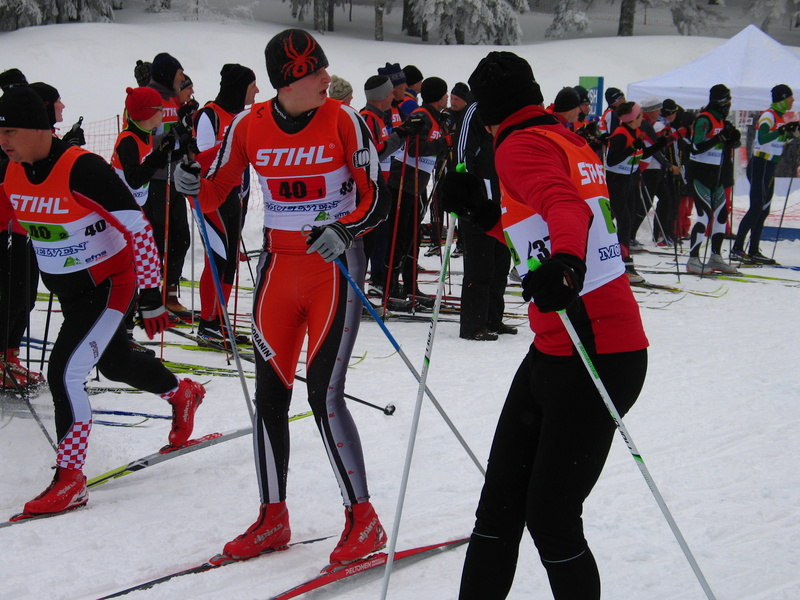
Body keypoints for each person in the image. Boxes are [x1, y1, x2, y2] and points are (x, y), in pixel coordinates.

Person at [173, 28, 390, 566]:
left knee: (325, 394)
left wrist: (346, 228)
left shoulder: (344, 120)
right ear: (288, 81)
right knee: (269, 395)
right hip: (277, 270)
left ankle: (364, 519)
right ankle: (273, 516)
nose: (327, 77)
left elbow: (375, 197)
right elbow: (215, 188)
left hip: (333, 269)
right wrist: (189, 181)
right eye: (316, 70)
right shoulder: (249, 125)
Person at [440, 51, 648, 600]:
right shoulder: (566, 138)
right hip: (561, 347)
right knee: (500, 506)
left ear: (488, 114)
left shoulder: (517, 145)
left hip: (594, 347)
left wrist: (567, 265)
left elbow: (567, 209)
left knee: (550, 517)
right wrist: (485, 215)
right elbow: (536, 231)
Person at [0, 86, 205, 520]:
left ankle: (70, 478)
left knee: (65, 373)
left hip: (110, 285)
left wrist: (151, 297)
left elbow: (138, 228)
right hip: (70, 292)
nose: (3, 141)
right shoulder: (14, 173)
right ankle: (182, 393)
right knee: (113, 363)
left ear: (39, 129)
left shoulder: (82, 169)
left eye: (10, 131)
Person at [193, 63, 258, 345]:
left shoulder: (242, 117)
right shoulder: (210, 115)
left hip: (237, 196)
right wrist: (233, 147)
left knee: (230, 260)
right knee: (217, 258)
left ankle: (218, 321)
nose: (257, 91)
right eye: (252, 86)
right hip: (212, 196)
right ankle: (207, 324)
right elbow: (201, 159)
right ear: (239, 88)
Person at [384, 76, 451, 307]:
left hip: (417, 185)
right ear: (438, 96)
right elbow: (415, 148)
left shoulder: (435, 117)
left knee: (413, 237)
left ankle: (411, 286)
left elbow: (435, 148)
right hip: (403, 184)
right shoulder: (421, 116)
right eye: (445, 94)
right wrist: (443, 143)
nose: (447, 98)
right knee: (401, 238)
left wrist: (445, 142)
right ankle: (391, 287)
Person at [455, 87, 513, 341]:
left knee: (500, 264)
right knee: (479, 266)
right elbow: (462, 153)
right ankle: (473, 324)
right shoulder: (475, 111)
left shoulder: (507, 111)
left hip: (503, 201)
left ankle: (493, 318)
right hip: (480, 203)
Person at [145, 52, 193, 317]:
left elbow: (181, 135)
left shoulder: (175, 99)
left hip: (175, 177)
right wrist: (175, 137)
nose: (182, 78)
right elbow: (144, 139)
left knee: (181, 238)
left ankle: (170, 293)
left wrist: (186, 134)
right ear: (167, 73)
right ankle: (149, 296)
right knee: (158, 240)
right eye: (178, 73)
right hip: (155, 179)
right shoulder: (149, 98)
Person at [732, 84, 798, 264]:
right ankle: (737, 248)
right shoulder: (769, 115)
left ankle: (753, 250)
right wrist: (782, 130)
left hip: (770, 166)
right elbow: (762, 138)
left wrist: (791, 135)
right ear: (782, 98)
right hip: (760, 164)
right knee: (756, 208)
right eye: (790, 97)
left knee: (764, 209)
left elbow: (778, 140)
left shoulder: (779, 116)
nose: (792, 100)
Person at [686, 84, 740, 274]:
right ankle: (693, 259)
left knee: (722, 215)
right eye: (726, 102)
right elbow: (695, 147)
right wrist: (720, 139)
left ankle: (716, 257)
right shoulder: (704, 119)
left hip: (716, 174)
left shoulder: (721, 120)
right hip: (699, 173)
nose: (728, 106)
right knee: (704, 216)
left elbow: (725, 143)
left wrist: (732, 140)